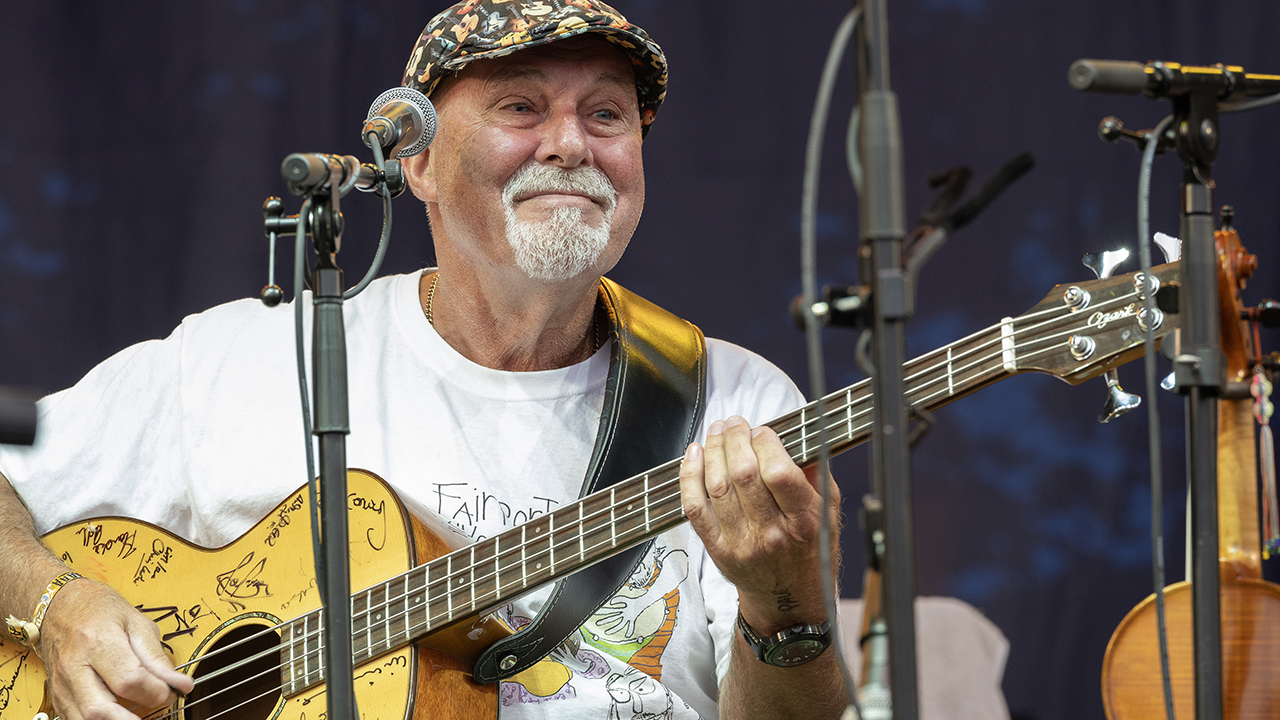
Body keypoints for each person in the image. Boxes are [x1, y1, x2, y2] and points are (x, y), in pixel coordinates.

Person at [0, 2, 847, 719]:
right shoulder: (238, 360)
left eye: (606, 115)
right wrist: (57, 606)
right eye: (520, 107)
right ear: (418, 160)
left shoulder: (735, 405)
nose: (570, 143)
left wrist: (785, 600)